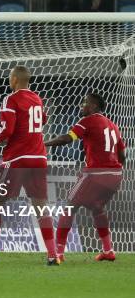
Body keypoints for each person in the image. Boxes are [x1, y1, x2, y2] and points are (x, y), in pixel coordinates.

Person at [0, 65, 59, 266]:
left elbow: (6, 130)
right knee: (41, 207)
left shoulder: (11, 99)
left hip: (17, 159)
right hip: (38, 158)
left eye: (10, 78)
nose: (9, 81)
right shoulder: (37, 98)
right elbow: (43, 119)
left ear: (15, 80)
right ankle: (53, 255)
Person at [45, 93, 126, 262]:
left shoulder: (87, 121)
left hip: (96, 173)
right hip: (115, 176)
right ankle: (108, 250)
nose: (82, 106)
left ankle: (58, 253)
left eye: (85, 103)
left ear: (94, 107)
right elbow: (122, 155)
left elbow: (68, 138)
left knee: (69, 207)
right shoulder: (113, 126)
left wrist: (43, 143)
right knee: (97, 208)